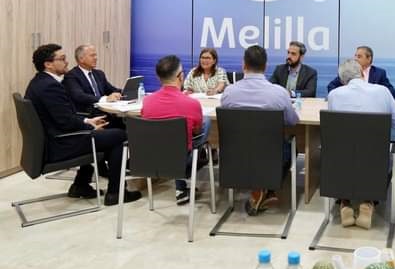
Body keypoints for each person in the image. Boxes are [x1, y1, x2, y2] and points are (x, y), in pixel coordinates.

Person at [24, 44, 141, 206]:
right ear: (48, 64)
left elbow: (63, 117)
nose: (66, 62)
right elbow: (65, 121)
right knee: (119, 136)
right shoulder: (50, 86)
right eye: (62, 59)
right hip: (60, 144)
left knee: (110, 133)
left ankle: (81, 185)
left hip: (55, 139)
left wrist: (87, 121)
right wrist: (90, 127)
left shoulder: (40, 82)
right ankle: (115, 193)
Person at [327, 59, 395, 229]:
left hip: (342, 161)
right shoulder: (383, 92)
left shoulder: (334, 95)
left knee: (343, 154)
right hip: (375, 160)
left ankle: (345, 202)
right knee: (384, 157)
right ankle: (368, 202)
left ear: (342, 80)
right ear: (362, 74)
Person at [220, 45, 299, 215]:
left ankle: (261, 190)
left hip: (237, 154)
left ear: (243, 65)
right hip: (271, 155)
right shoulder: (279, 93)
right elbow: (292, 121)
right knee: (291, 145)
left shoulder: (229, 92)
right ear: (265, 66)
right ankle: (266, 188)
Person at [141, 55, 211, 205]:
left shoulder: (147, 102)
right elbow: (197, 132)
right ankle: (196, 163)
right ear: (181, 76)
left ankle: (181, 188)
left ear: (158, 78)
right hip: (182, 161)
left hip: (151, 160)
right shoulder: (192, 104)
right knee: (206, 123)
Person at [63, 44, 122, 115]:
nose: (96, 58)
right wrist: (105, 99)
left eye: (95, 55)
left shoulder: (99, 73)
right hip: (88, 115)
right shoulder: (71, 76)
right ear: (81, 59)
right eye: (92, 55)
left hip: (105, 112)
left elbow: (111, 89)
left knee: (126, 118)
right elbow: (79, 96)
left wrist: (126, 92)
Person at [327, 46, 395, 99]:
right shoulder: (349, 70)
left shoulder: (379, 73)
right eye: (355, 56)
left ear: (369, 58)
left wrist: (377, 94)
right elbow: (331, 86)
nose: (355, 59)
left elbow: (393, 94)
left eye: (359, 56)